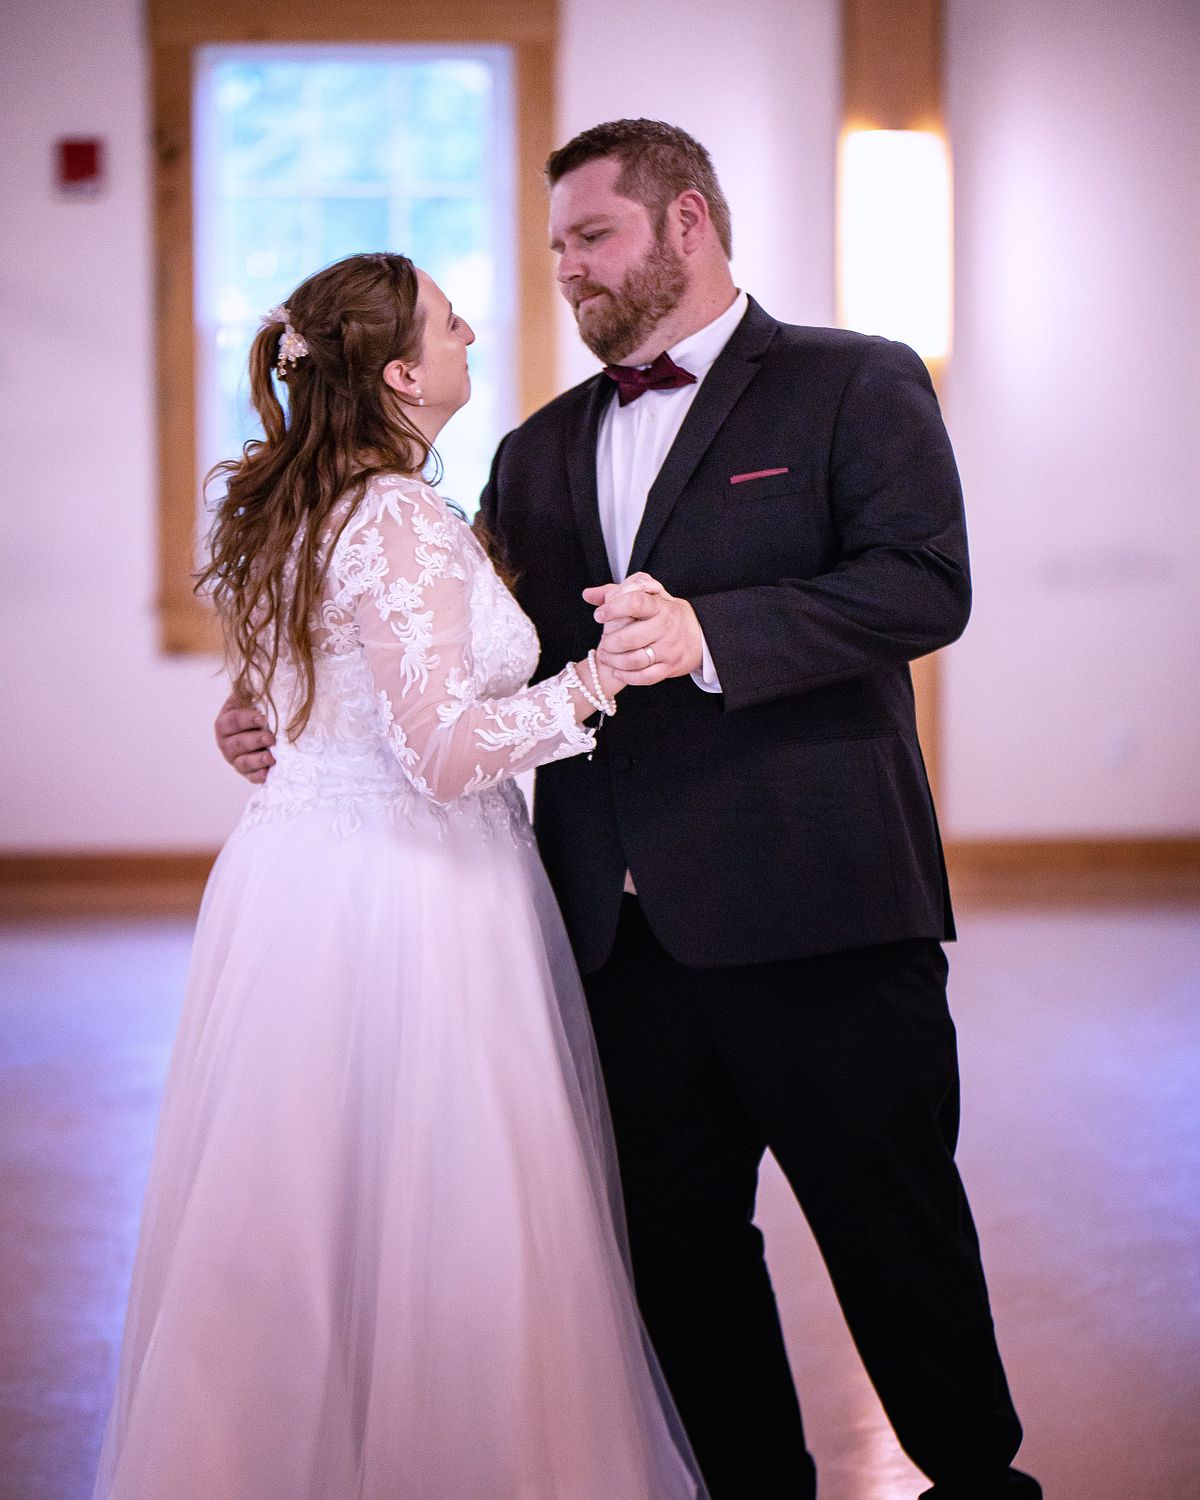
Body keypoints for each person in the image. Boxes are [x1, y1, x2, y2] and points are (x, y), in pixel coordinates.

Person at [219, 122, 1042, 1499]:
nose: (566, 272)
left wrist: (711, 633)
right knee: (679, 1261)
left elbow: (924, 586)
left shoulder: (854, 382)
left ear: (690, 225)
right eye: (554, 249)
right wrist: (299, 711)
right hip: (616, 939)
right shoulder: (536, 452)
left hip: (822, 910)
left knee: (896, 1244)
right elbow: (472, 659)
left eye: (591, 237)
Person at [96, 252, 706, 1500]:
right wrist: (604, 676)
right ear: (397, 372)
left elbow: (310, 693)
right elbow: (436, 753)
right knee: (438, 1216)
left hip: (298, 889)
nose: (474, 326)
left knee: (302, 1212)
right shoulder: (397, 519)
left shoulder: (291, 507)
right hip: (412, 898)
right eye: (448, 319)